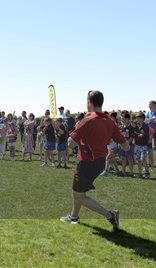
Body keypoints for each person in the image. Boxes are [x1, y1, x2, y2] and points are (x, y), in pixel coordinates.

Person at [60, 90, 127, 229]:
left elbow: (70, 144)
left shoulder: (87, 120)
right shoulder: (110, 121)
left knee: (79, 195)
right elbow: (126, 146)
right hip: (100, 162)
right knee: (78, 192)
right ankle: (74, 216)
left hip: (87, 163)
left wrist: (73, 134)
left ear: (89, 102)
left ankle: (110, 215)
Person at [133, 112, 150, 178]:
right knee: (138, 160)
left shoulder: (146, 127)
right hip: (137, 145)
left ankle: (147, 172)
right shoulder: (135, 126)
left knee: (143, 159)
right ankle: (140, 173)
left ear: (143, 119)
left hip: (144, 146)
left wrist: (138, 135)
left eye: (140, 118)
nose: (138, 119)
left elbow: (144, 136)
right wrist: (138, 134)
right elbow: (134, 134)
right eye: (137, 118)